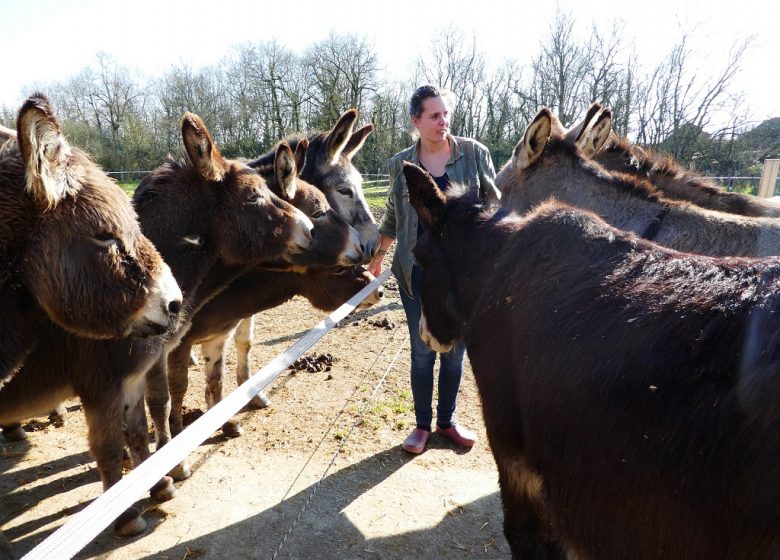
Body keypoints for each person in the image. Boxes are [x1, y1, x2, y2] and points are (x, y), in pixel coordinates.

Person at [368, 85, 499, 454]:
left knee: (455, 350)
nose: (443, 122)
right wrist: (380, 252)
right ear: (416, 121)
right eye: (434, 115)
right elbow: (395, 214)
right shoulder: (401, 164)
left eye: (445, 114)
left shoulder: (474, 155)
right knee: (422, 350)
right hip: (417, 272)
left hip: (461, 276)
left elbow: (495, 207)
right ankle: (422, 425)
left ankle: (448, 421)